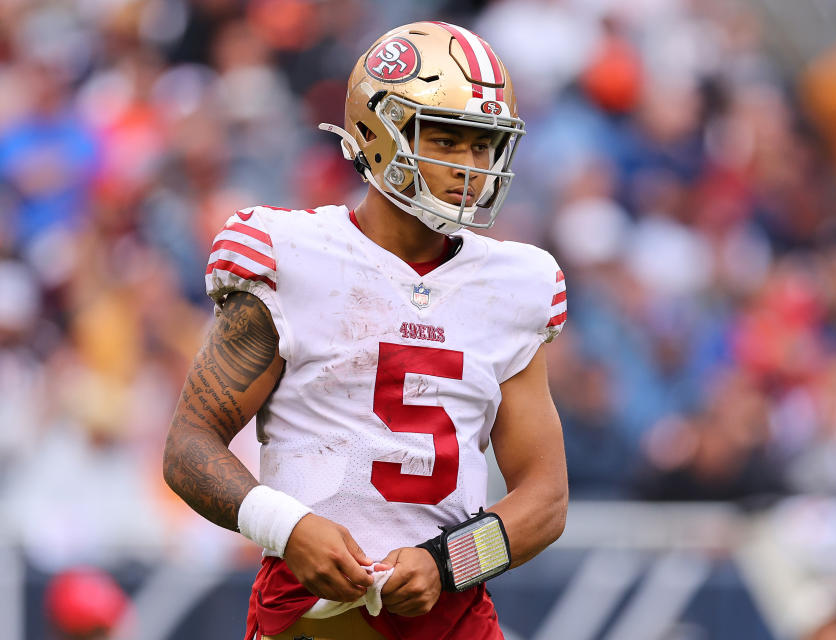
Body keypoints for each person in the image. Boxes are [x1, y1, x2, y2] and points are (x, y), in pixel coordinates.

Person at [162, 21, 569, 640]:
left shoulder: (516, 284)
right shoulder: (290, 255)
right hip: (310, 614)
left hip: (451, 616)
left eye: (483, 145)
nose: (469, 166)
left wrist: (447, 564)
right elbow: (189, 447)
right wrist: (288, 529)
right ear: (380, 132)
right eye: (448, 139)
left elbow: (545, 500)